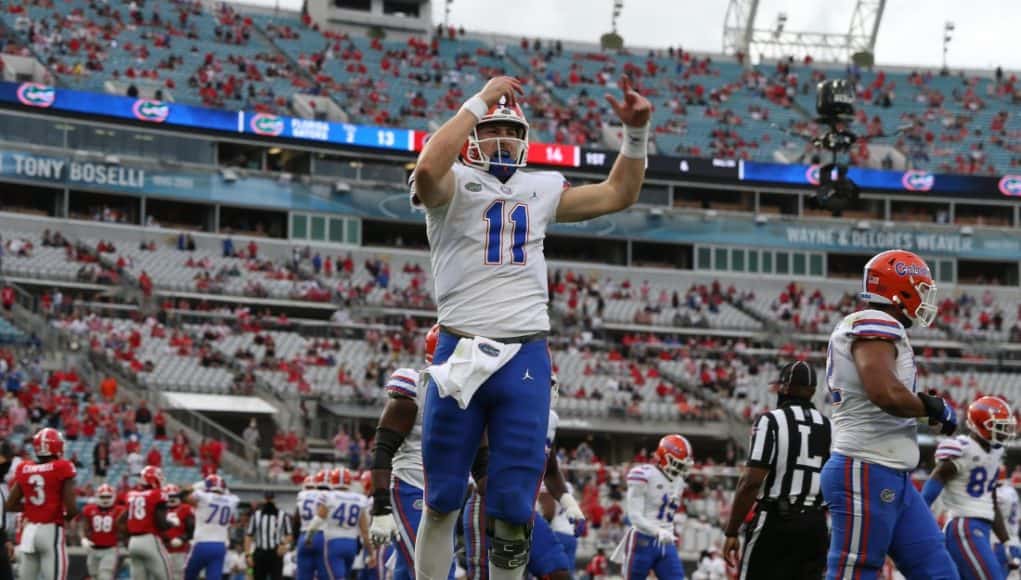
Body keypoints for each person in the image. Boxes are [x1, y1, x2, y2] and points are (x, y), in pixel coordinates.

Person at [411, 73, 650, 580]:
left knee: (515, 509)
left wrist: (635, 135)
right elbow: (430, 166)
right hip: (461, 348)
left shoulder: (539, 188)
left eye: (512, 133)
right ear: (472, 135)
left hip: (524, 353)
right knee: (443, 499)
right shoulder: (451, 183)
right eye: (492, 130)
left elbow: (618, 194)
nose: (504, 140)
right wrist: (479, 101)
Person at [820, 249, 959, 579]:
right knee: (855, 571)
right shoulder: (876, 322)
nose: (925, 299)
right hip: (864, 465)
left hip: (891, 471)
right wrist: (930, 407)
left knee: (937, 571)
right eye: (921, 289)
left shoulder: (883, 326)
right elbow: (884, 392)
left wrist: (927, 407)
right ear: (902, 289)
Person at [463, 376, 585, 580]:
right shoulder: (498, 412)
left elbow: (552, 470)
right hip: (488, 504)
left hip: (525, 509)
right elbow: (478, 457)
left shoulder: (549, 420)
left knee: (558, 570)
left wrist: (569, 503)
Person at [723, 361, 831, 579]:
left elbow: (751, 482)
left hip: (777, 520)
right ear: (812, 391)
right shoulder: (830, 426)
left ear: (784, 387)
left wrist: (732, 530)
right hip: (815, 524)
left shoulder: (770, 421)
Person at [367, 331, 456, 580]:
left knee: (413, 571)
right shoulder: (416, 386)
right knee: (435, 571)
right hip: (411, 486)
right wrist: (381, 507)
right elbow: (383, 449)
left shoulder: (470, 391)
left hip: (446, 493)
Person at [922, 396, 1016, 580]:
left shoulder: (995, 452)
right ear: (980, 425)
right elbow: (937, 477)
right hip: (964, 525)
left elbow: (991, 501)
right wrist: (919, 517)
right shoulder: (963, 448)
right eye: (998, 426)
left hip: (980, 527)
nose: (1004, 432)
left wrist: (1008, 540)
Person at [5, 427, 79, 580]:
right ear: (56, 446)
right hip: (50, 529)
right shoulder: (62, 467)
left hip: (29, 531)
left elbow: (10, 505)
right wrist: (63, 514)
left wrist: (35, 508)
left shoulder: (25, 468)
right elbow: (72, 508)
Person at [615, 435, 692, 579]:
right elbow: (635, 516)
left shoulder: (679, 481)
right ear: (664, 457)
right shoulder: (644, 474)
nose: (681, 469)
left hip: (666, 541)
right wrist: (657, 531)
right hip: (642, 540)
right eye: (678, 464)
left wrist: (665, 532)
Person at [308, 467, 372, 578]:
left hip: (334, 543)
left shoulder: (329, 496)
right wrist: (371, 553)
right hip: (352, 544)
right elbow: (365, 531)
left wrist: (309, 537)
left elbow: (317, 521)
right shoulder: (360, 498)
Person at [121, 465, 176, 580]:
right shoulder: (156, 494)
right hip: (149, 541)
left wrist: (126, 538)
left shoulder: (132, 495)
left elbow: (121, 520)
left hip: (133, 543)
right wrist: (171, 523)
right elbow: (160, 523)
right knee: (167, 577)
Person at [184, 474, 240, 580]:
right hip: (220, 545)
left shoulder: (204, 497)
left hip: (201, 544)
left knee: (187, 575)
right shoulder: (232, 500)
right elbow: (229, 495)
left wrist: (198, 485)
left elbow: (185, 496)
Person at [81, 483, 125, 580]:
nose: (105, 499)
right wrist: (83, 538)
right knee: (94, 577)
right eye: (103, 497)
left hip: (110, 550)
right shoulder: (89, 509)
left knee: (105, 576)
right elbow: (84, 527)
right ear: (97, 496)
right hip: (93, 549)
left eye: (108, 496)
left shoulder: (119, 510)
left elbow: (125, 528)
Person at [247, 490, 293, 580]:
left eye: (270, 499)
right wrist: (248, 555)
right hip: (260, 552)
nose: (269, 501)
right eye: (267, 499)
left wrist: (283, 544)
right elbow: (249, 535)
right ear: (264, 500)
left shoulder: (283, 515)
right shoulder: (256, 515)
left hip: (275, 553)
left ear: (274, 500)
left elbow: (290, 535)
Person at [294, 472, 329, 580]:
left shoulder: (301, 495)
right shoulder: (327, 495)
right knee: (324, 574)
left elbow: (296, 520)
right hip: (322, 535)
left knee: (303, 576)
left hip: (303, 535)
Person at [162, 483, 195, 578]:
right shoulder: (160, 510)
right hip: (161, 549)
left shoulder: (185, 508)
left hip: (179, 550)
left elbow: (192, 529)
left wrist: (182, 538)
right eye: (169, 496)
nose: (171, 499)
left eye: (174, 496)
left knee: (178, 575)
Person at [993, 467, 1021, 576]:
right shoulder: (1011, 491)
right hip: (1015, 542)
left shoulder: (1000, 494)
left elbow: (993, 516)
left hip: (1002, 544)